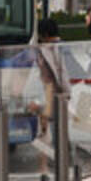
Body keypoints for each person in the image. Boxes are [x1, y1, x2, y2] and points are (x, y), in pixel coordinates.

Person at [28, 18, 70, 151]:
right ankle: (61, 152)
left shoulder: (45, 49)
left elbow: (40, 73)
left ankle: (56, 156)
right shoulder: (66, 46)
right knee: (58, 125)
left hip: (50, 91)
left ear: (44, 34)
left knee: (48, 127)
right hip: (61, 92)